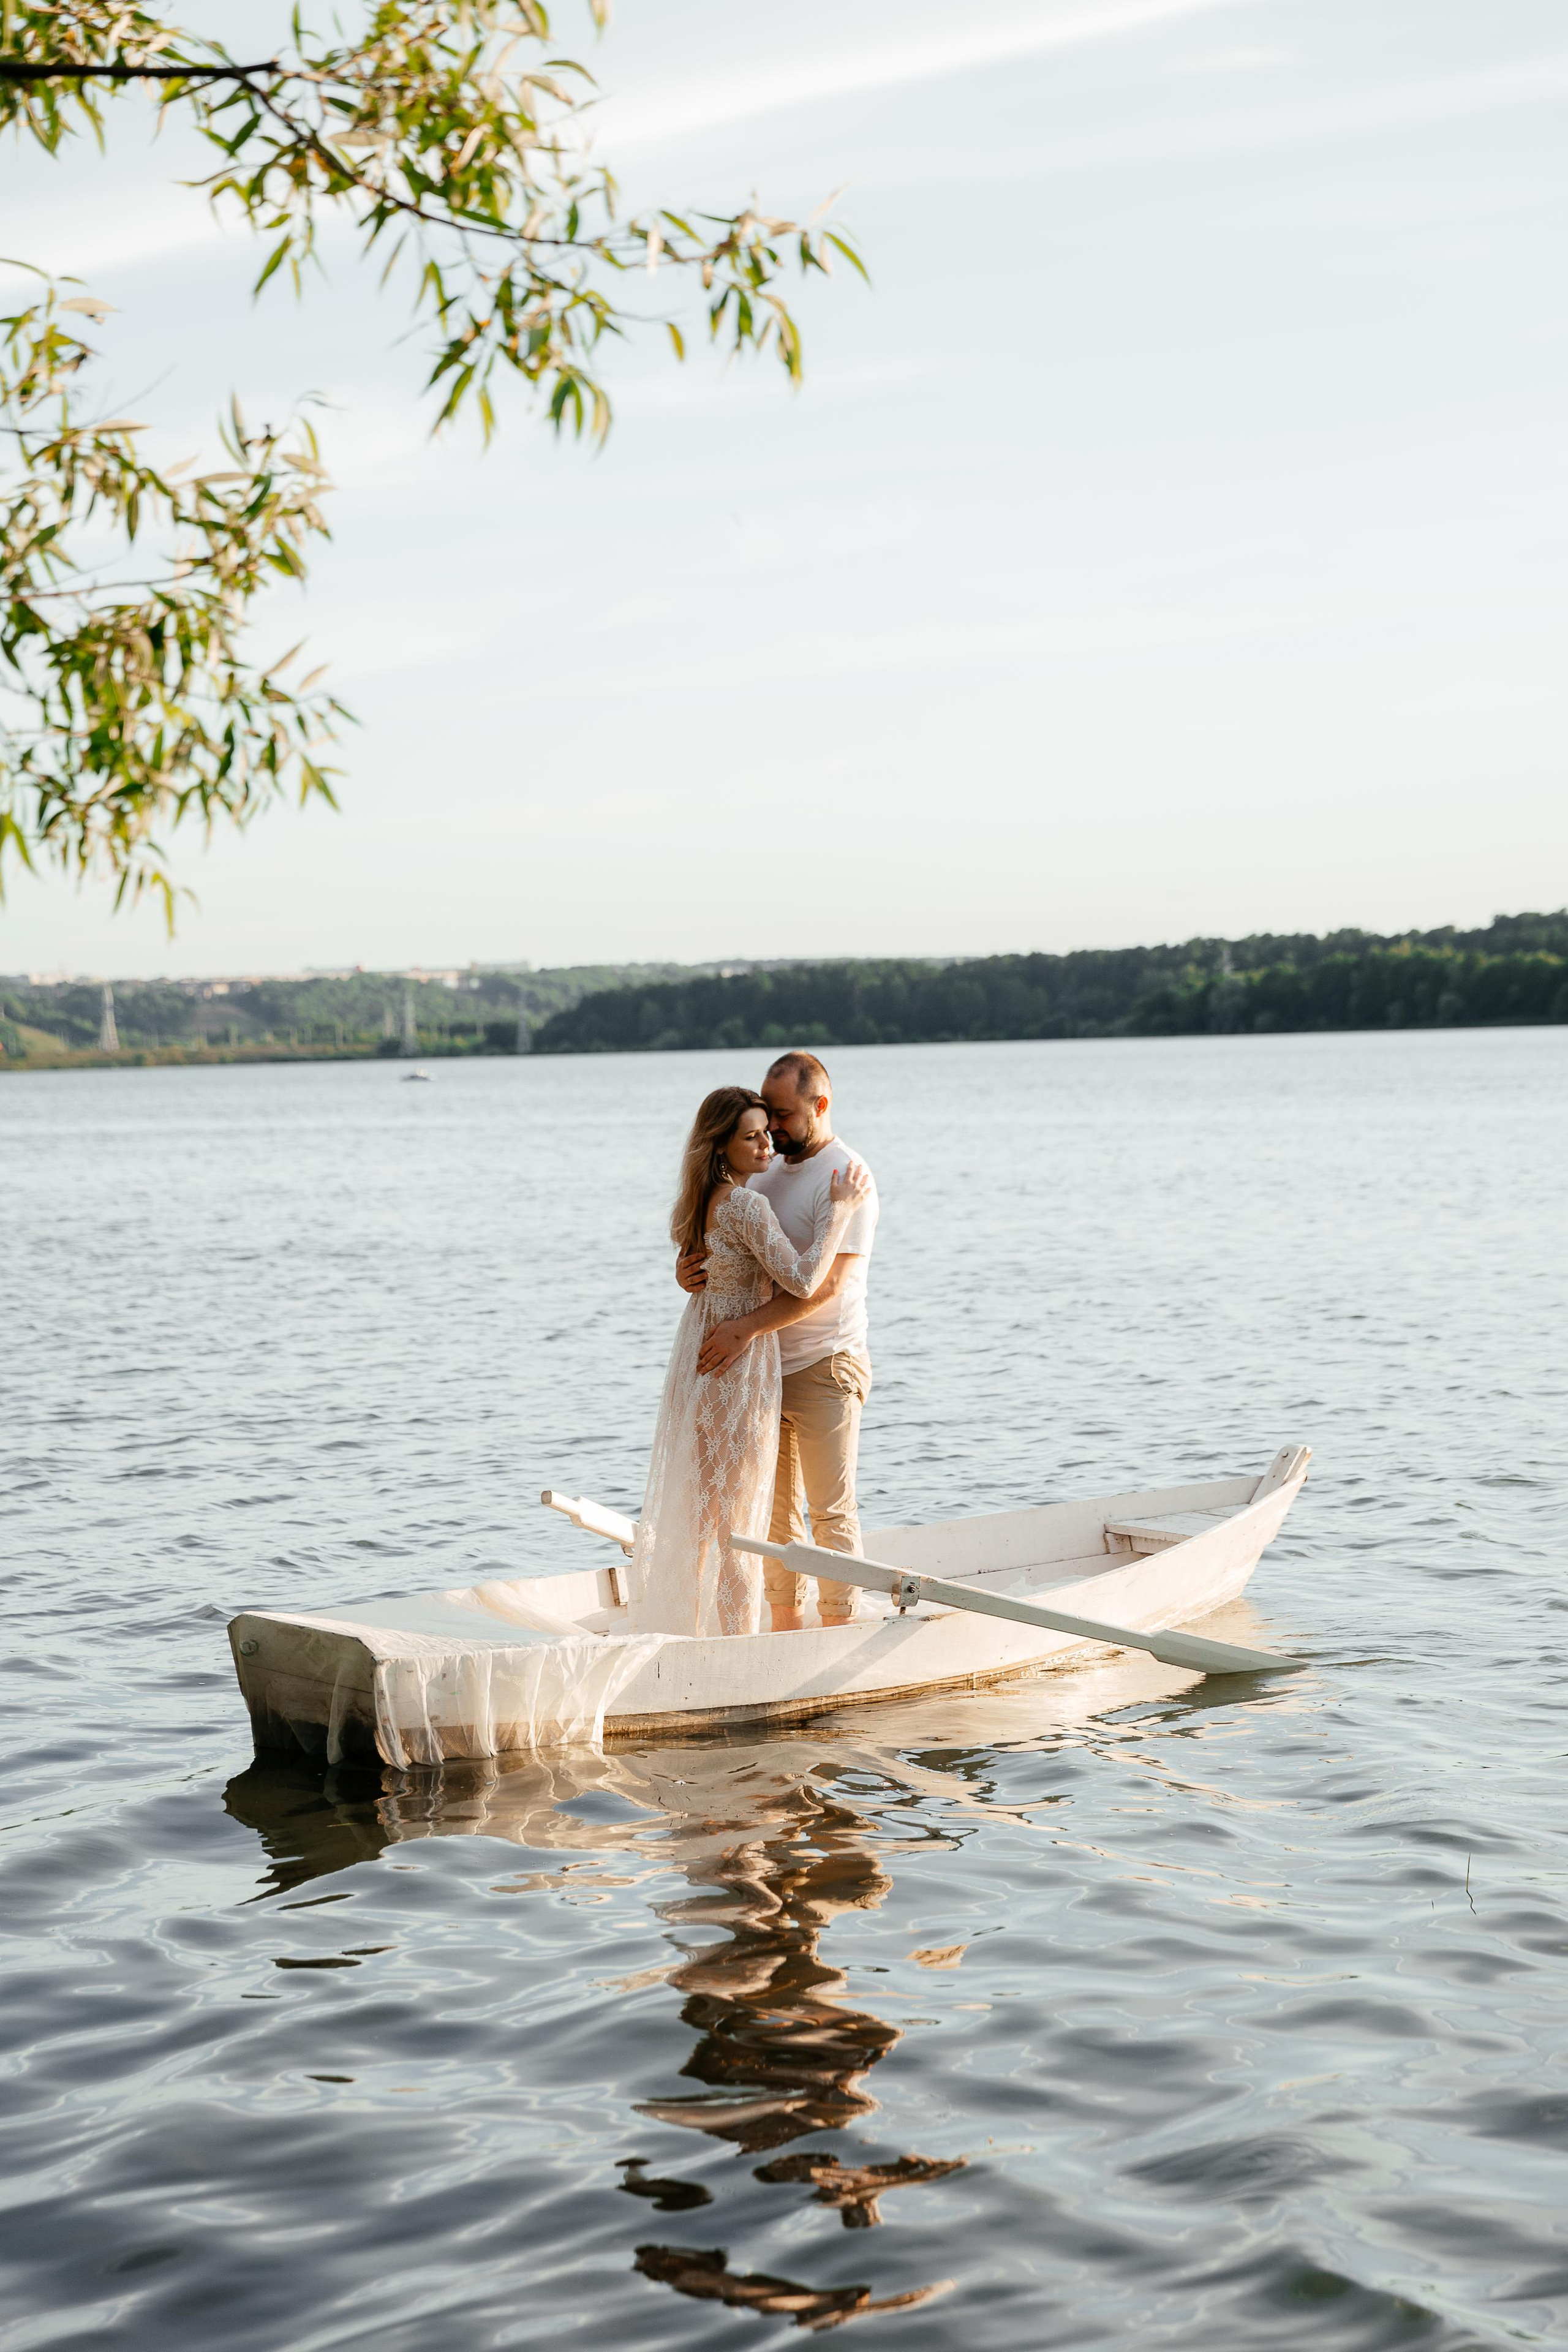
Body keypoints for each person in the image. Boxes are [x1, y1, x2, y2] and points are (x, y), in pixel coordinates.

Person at [632, 1086, 873, 1638]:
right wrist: (839, 1212)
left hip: (699, 1352)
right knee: (736, 1523)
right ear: (721, 1147)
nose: (767, 1144)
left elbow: (700, 1264)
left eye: (768, 1130)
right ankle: (736, 1647)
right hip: (736, 1366)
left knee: (705, 1512)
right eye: (752, 1136)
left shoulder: (700, 1199)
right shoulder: (745, 1202)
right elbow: (806, 1279)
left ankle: (690, 1631)